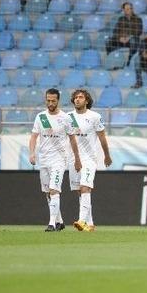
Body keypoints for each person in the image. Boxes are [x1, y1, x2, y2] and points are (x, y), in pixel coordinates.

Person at [28, 88, 81, 232]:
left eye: (53, 101)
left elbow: (73, 139)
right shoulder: (41, 117)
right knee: (47, 192)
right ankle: (60, 221)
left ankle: (51, 223)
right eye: (48, 100)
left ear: (58, 101)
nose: (50, 103)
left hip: (59, 160)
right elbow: (33, 137)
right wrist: (32, 153)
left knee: (54, 190)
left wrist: (77, 158)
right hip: (44, 160)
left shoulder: (65, 118)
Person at [67, 89, 112, 232]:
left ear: (86, 101)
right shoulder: (68, 117)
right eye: (76, 97)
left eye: (81, 97)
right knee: (80, 191)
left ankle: (81, 221)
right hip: (73, 159)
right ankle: (90, 224)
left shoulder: (95, 117)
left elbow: (102, 137)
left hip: (89, 159)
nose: (77, 99)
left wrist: (107, 155)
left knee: (85, 187)